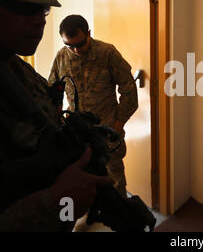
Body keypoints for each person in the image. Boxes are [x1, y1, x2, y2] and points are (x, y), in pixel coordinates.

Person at [0, 0, 113, 231]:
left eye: (43, 10)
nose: (39, 21)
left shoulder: (17, 69)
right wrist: (54, 201)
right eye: (24, 8)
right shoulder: (54, 59)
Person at [48, 15, 138, 198]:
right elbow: (51, 91)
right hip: (78, 132)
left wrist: (120, 120)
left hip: (107, 130)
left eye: (80, 44)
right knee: (84, 177)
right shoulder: (61, 56)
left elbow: (129, 89)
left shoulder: (107, 53)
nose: (76, 50)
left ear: (88, 34)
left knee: (114, 178)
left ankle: (122, 217)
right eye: (70, 45)